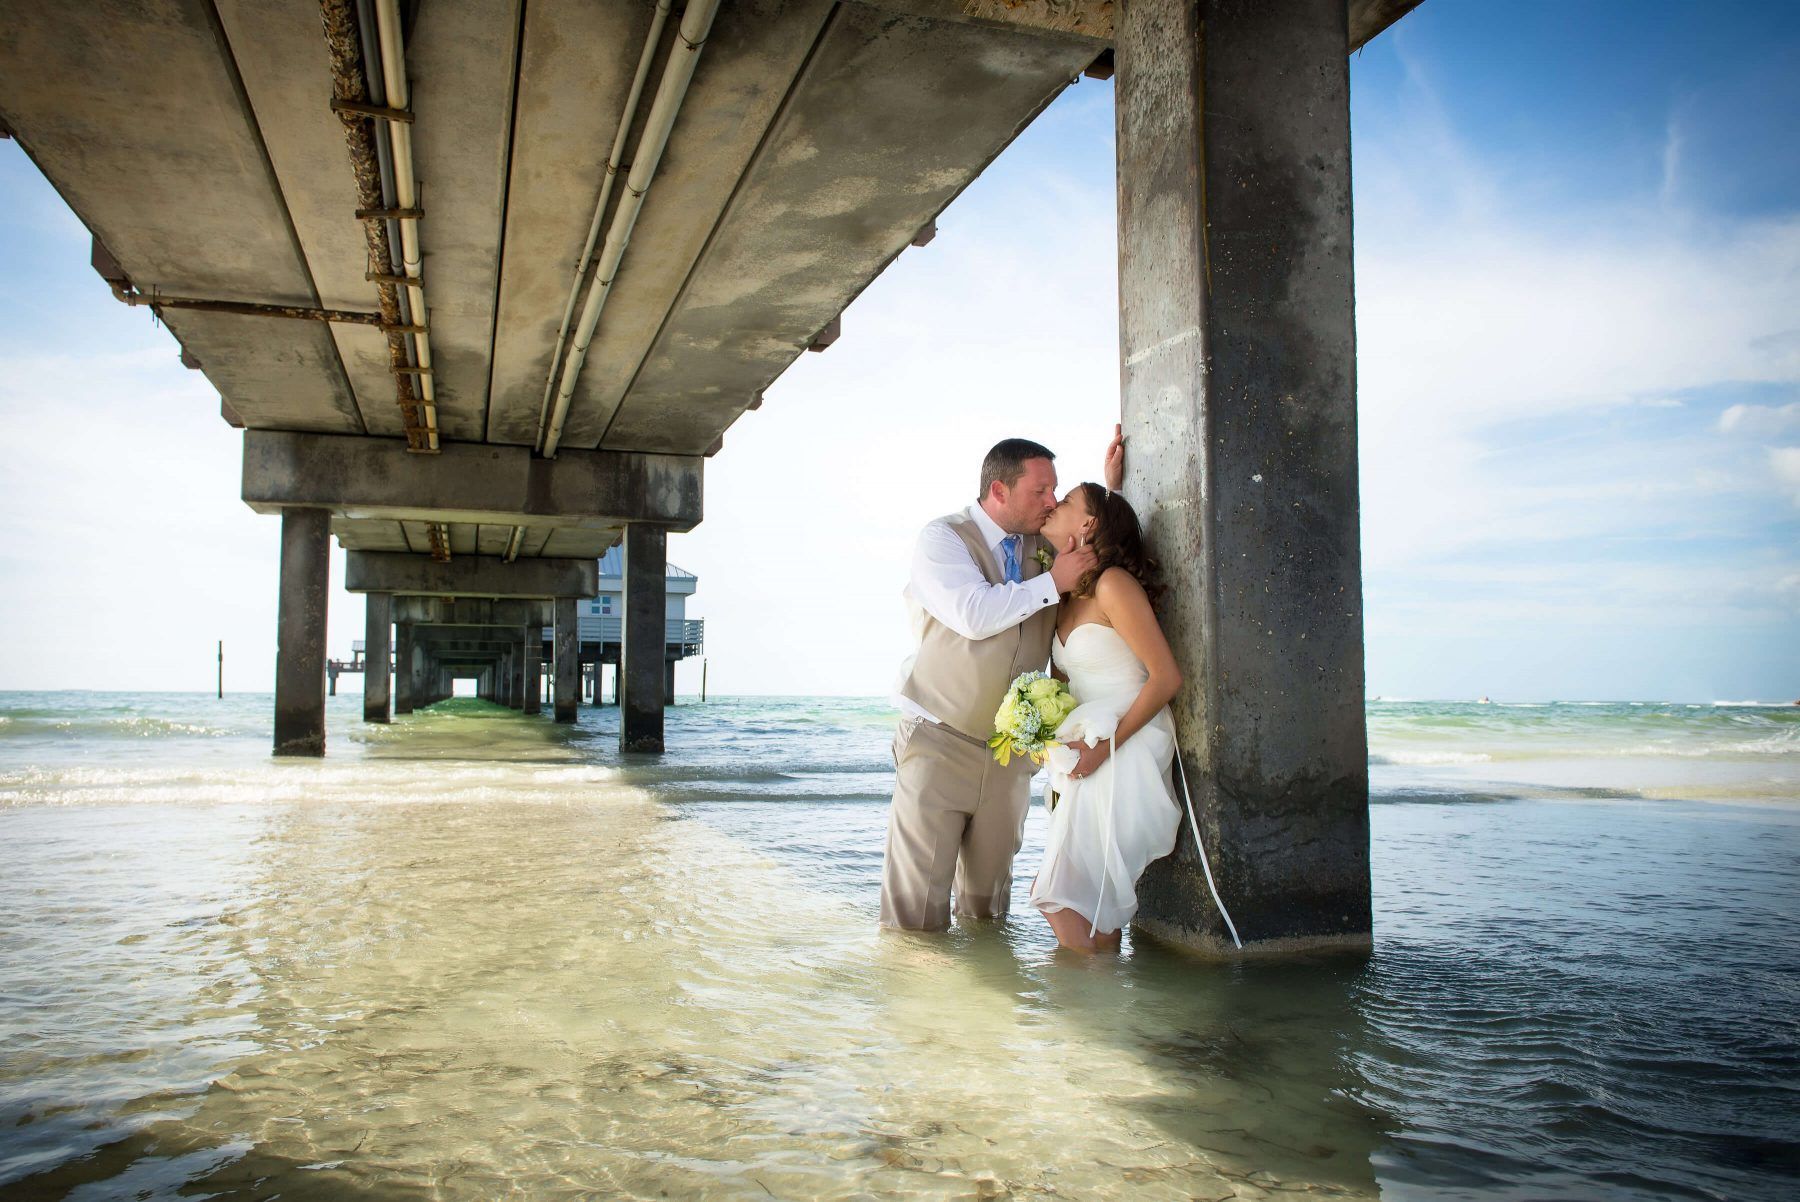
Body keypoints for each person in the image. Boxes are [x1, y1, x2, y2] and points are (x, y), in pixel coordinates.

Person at [880, 432, 1124, 932]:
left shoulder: (1045, 542)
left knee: (988, 909)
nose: (1051, 502)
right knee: (914, 912)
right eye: (1040, 492)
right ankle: (913, 1007)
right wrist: (1052, 582)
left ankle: (986, 1005)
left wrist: (1114, 489)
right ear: (998, 491)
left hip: (1011, 755)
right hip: (939, 741)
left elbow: (1099, 532)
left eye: (1055, 491)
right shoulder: (943, 539)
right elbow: (972, 614)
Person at [1030, 481, 1183, 952]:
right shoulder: (1067, 594)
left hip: (1126, 743)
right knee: (1093, 907)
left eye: (1067, 500)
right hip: (1087, 748)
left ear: (1089, 523)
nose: (1053, 504)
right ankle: (1105, 1009)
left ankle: (1082, 1004)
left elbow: (1165, 678)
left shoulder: (1114, 585)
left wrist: (1106, 748)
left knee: (1059, 898)